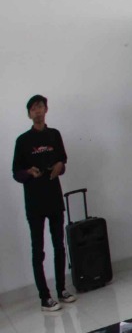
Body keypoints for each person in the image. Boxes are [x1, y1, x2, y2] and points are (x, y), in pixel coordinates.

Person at [12, 94, 74, 312]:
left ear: (46, 109)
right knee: (38, 250)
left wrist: (59, 166)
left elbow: (63, 161)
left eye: (41, 107)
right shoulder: (23, 141)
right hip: (35, 201)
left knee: (59, 245)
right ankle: (44, 297)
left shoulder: (54, 135)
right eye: (33, 109)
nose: (38, 111)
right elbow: (16, 173)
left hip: (54, 198)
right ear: (29, 114)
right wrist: (29, 172)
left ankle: (61, 289)